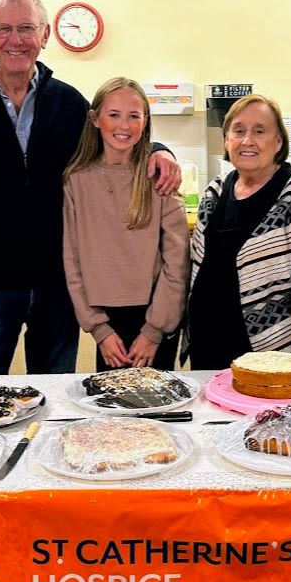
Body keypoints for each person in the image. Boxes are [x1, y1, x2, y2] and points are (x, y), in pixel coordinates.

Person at [0, 0, 180, 375]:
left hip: (57, 285)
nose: (15, 40)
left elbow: (114, 138)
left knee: (55, 394)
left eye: (26, 28)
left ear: (45, 35)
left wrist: (159, 149)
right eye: (3, 29)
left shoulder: (68, 103)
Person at [186, 93, 291, 377]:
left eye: (259, 131)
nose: (247, 140)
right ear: (226, 139)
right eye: (238, 131)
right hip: (208, 343)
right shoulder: (216, 190)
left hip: (273, 350)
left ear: (278, 141)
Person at [63, 78, 190, 371]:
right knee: (111, 399)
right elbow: (72, 260)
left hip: (155, 315)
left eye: (134, 116)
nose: (124, 125)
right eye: (114, 115)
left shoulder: (159, 175)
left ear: (145, 121)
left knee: (158, 397)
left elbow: (177, 262)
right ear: (95, 119)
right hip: (107, 322)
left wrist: (154, 330)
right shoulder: (76, 180)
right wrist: (99, 329)